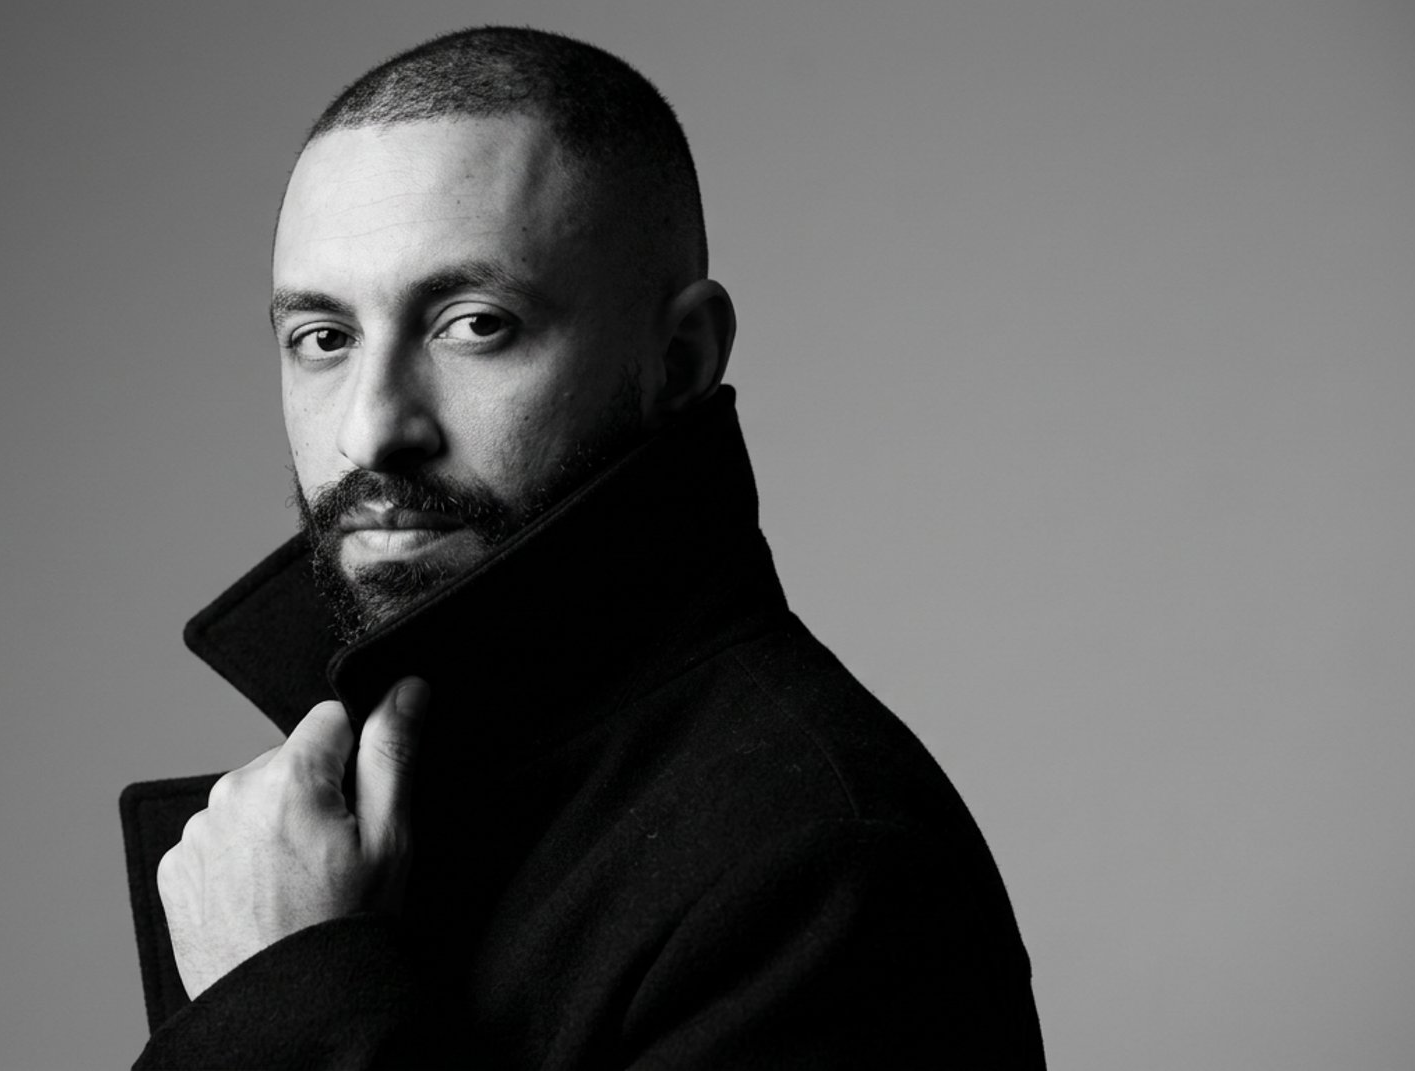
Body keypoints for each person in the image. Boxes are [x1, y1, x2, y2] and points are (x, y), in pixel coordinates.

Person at [119, 26, 1044, 1068]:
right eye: (323, 339)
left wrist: (283, 996)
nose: (370, 429)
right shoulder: (332, 834)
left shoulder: (826, 874)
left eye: (474, 324)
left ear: (680, 359)